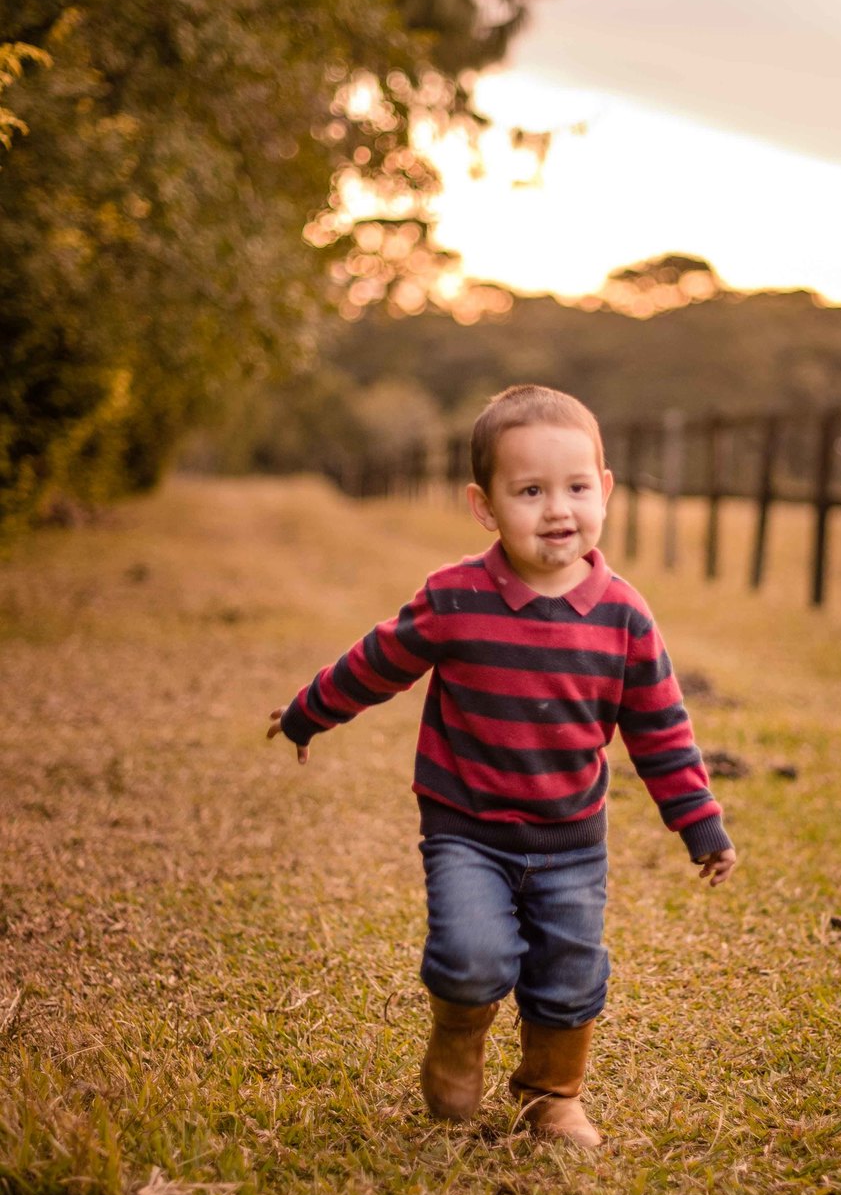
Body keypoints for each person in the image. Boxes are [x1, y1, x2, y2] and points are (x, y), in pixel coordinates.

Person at [267, 384, 737, 1148]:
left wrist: (701, 824)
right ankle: (458, 1034)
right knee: (469, 951)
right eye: (530, 491)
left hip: (572, 838)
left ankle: (549, 1094)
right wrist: (310, 709)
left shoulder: (623, 614)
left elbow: (661, 729)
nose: (559, 509)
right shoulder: (456, 598)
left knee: (571, 972)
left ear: (606, 490)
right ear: (485, 506)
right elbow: (378, 659)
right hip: (467, 827)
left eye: (577, 487)